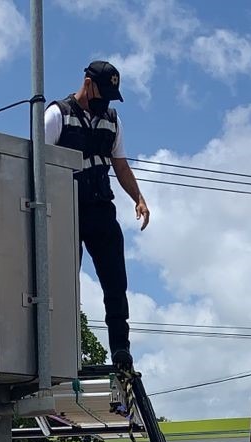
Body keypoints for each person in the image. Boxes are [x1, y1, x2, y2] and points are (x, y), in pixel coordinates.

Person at [46, 60, 150, 371]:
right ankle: (60, 351)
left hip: (101, 207)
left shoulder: (112, 120)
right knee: (64, 283)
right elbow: (36, 162)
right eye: (102, 92)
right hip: (66, 209)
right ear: (87, 83)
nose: (105, 100)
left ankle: (121, 350)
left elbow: (120, 165)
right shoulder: (56, 115)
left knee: (116, 282)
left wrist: (139, 198)